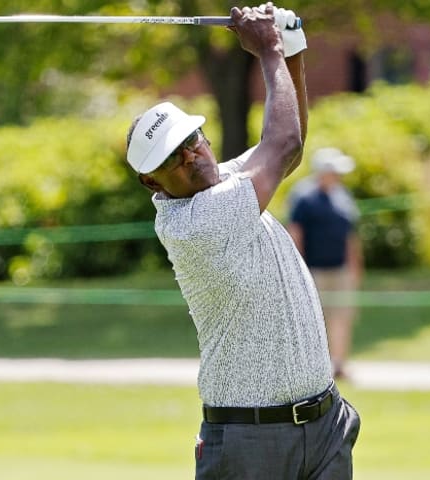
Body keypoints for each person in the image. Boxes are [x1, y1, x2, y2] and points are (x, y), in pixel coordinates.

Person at [124, 4, 360, 479]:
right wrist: (268, 49)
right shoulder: (197, 221)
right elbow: (284, 145)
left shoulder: (219, 183)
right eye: (175, 158)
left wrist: (291, 48)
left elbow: (289, 145)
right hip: (251, 442)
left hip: (323, 425)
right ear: (154, 183)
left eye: (194, 139)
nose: (193, 155)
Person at [288, 148, 363, 381]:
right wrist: (297, 269)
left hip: (339, 269)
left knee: (341, 317)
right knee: (313, 320)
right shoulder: (303, 197)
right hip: (314, 270)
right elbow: (295, 233)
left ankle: (339, 364)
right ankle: (314, 367)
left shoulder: (343, 196)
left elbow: (350, 234)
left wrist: (355, 266)